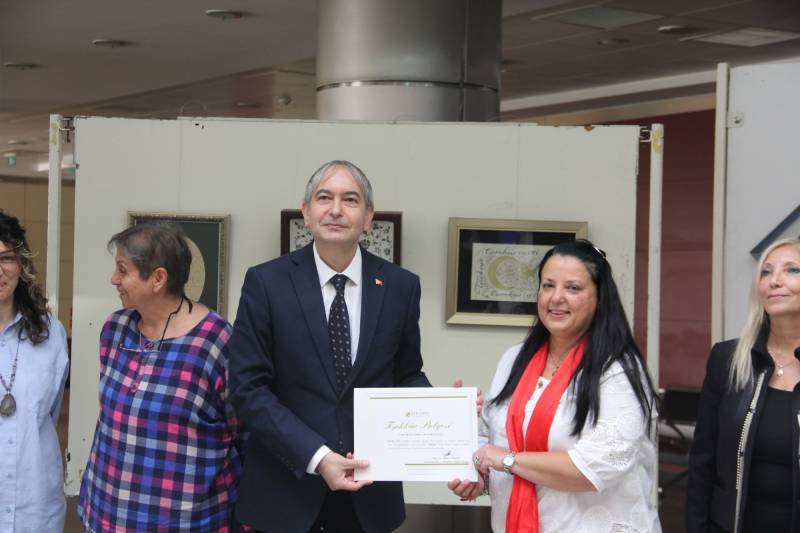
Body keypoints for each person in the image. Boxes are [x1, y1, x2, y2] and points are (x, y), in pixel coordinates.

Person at [229, 160, 431, 533]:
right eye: (324, 198)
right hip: (285, 493)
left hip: (369, 495)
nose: (336, 210)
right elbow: (247, 389)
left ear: (368, 217)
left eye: (350, 200)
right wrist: (318, 457)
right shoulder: (266, 283)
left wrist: (444, 409)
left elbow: (406, 374)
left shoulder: (400, 286)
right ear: (306, 213)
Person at [450, 239, 660, 533]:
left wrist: (506, 460)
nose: (556, 298)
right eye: (548, 285)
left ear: (600, 297)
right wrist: (476, 472)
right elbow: (491, 443)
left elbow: (597, 467)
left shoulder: (617, 370)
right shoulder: (514, 361)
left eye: (573, 288)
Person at [78, 222, 243, 532]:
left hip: (185, 521)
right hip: (107, 512)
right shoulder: (115, 328)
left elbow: (243, 433)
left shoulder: (215, 341)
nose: (114, 279)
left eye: (123, 270)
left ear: (158, 278)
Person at [687, 238, 800, 533]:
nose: (774, 281)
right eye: (766, 272)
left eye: (792, 270)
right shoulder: (727, 359)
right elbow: (702, 461)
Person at [0, 211, 69, 532]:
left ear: (21, 264)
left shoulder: (51, 333)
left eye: (6, 258)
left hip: (35, 506)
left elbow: (48, 415)